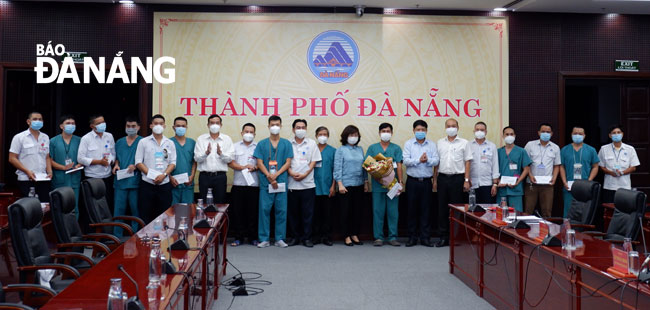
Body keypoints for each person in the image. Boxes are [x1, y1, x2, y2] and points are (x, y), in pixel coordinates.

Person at [254, 115, 293, 248]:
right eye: (272, 124)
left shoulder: (286, 143)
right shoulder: (262, 144)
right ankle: (264, 238)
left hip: (281, 181)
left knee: (281, 210)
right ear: (268, 126)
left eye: (277, 124)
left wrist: (276, 174)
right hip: (266, 182)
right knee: (264, 210)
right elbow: (259, 162)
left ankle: (279, 238)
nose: (275, 127)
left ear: (281, 126)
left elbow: (288, 162)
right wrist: (268, 175)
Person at [434, 118, 472, 247]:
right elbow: (436, 163)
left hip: (458, 179)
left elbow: (468, 162)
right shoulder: (440, 143)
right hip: (443, 178)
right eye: (448, 126)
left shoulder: (464, 143)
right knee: (442, 209)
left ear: (458, 127)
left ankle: (455, 237)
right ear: (445, 128)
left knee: (456, 209)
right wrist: (434, 180)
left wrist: (466, 180)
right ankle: (443, 237)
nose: (451, 128)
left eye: (453, 126)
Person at [403, 119, 439, 247]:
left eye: (423, 130)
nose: (420, 132)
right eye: (418, 130)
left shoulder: (432, 145)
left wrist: (427, 160)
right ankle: (412, 237)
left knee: (426, 210)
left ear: (426, 131)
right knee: (411, 210)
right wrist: (419, 160)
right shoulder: (408, 144)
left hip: (426, 182)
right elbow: (406, 160)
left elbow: (436, 161)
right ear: (413, 131)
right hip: (412, 181)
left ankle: (425, 238)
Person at [366, 123, 403, 247]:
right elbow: (368, 165)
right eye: (383, 131)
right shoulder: (372, 148)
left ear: (391, 133)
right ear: (379, 133)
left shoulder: (396, 148)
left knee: (393, 212)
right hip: (378, 185)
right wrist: (375, 176)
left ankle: (393, 236)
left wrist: (401, 182)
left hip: (393, 185)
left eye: (388, 131)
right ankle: (378, 237)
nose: (385, 133)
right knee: (378, 211)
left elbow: (399, 166)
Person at [134, 115, 176, 223]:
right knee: (145, 214)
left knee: (165, 215)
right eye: (156, 123)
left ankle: (163, 239)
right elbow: (138, 162)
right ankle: (145, 239)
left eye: (161, 123)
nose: (158, 126)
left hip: (164, 184)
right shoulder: (143, 142)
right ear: (151, 126)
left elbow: (173, 163)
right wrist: (152, 175)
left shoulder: (170, 143)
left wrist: (164, 175)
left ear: (164, 126)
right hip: (147, 184)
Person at [287, 119, 322, 247]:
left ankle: (307, 238)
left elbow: (314, 161)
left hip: (308, 184)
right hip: (292, 184)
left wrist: (306, 173)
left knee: (308, 213)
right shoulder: (287, 143)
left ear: (306, 129)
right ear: (293, 129)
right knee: (293, 213)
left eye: (303, 127)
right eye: (298, 127)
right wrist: (290, 172)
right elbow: (286, 161)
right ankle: (295, 237)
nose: (300, 129)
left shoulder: (312, 143)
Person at [334, 125, 368, 247]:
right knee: (345, 211)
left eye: (355, 135)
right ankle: (346, 235)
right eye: (351, 135)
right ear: (345, 136)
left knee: (357, 211)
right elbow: (337, 168)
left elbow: (364, 167)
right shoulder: (341, 150)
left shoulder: (360, 149)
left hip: (359, 184)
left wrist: (365, 182)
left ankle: (354, 234)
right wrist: (340, 184)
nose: (353, 137)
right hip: (345, 185)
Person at [228, 123, 260, 246]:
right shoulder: (235, 146)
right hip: (238, 184)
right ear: (242, 133)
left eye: (251, 132)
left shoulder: (258, 146)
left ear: (254, 134)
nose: (249, 134)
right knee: (238, 213)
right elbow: (230, 163)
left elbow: (262, 164)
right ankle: (238, 237)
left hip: (254, 185)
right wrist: (243, 167)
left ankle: (253, 238)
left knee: (253, 213)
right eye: (246, 131)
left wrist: (255, 167)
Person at [8, 112, 52, 202]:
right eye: (35, 119)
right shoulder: (19, 137)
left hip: (43, 178)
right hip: (26, 179)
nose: (38, 121)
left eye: (40, 119)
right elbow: (12, 158)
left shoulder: (45, 137)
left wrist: (50, 171)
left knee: (44, 207)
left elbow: (47, 157)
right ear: (28, 121)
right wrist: (27, 171)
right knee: (29, 208)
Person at [111, 116, 142, 236]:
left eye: (133, 126)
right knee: (118, 211)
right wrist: (116, 165)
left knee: (136, 210)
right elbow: (117, 158)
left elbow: (146, 160)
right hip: (121, 181)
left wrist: (136, 165)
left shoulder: (142, 142)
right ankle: (116, 237)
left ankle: (136, 236)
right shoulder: (119, 142)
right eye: (128, 126)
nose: (131, 128)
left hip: (135, 181)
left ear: (138, 127)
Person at [193, 114, 234, 204]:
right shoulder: (201, 139)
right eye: (212, 123)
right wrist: (206, 153)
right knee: (203, 203)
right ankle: (204, 218)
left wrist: (221, 154)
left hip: (220, 177)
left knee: (220, 203)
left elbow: (230, 159)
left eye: (217, 123)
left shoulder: (227, 139)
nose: (214, 125)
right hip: (204, 177)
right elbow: (196, 159)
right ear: (208, 125)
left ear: (221, 125)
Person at [559, 126, 599, 217]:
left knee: (583, 212)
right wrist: (564, 181)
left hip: (585, 186)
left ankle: (582, 231)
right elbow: (561, 167)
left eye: (580, 134)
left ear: (584, 136)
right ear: (571, 135)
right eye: (575, 133)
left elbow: (595, 167)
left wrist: (589, 180)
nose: (577, 135)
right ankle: (567, 230)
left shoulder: (591, 150)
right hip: (569, 186)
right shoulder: (564, 150)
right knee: (568, 211)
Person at [78, 114, 115, 211]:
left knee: (107, 205)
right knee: (92, 207)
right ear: (92, 126)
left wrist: (110, 161)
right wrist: (99, 162)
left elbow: (113, 154)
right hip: (92, 177)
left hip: (107, 176)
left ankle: (107, 225)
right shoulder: (86, 138)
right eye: (99, 123)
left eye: (103, 122)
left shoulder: (109, 136)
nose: (102, 124)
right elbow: (80, 158)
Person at [524, 123, 561, 217]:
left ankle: (546, 231)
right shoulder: (530, 145)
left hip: (547, 185)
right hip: (531, 183)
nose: (545, 133)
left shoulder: (555, 147)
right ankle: (526, 230)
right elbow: (525, 163)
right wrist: (530, 175)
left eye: (548, 132)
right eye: (543, 131)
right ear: (538, 132)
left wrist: (554, 178)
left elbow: (557, 165)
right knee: (528, 210)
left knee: (547, 212)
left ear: (552, 133)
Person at [49, 115, 83, 215]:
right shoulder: (53, 141)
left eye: (73, 124)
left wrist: (79, 164)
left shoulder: (80, 140)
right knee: (60, 207)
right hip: (59, 178)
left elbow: (84, 157)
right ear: (61, 126)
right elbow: (49, 160)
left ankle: (73, 230)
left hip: (74, 178)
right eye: (68, 123)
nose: (71, 126)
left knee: (74, 207)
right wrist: (63, 167)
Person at [598, 125, 640, 203]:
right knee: (609, 210)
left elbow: (633, 167)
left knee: (624, 209)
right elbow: (601, 166)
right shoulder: (604, 149)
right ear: (610, 135)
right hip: (609, 186)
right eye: (614, 133)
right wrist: (611, 172)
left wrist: (622, 173)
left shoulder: (630, 149)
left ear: (622, 134)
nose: (616, 134)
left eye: (618, 132)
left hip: (624, 186)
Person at [496, 127, 532, 212]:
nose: (509, 136)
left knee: (516, 214)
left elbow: (526, 169)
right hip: (502, 189)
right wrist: (497, 181)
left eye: (511, 134)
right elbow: (494, 169)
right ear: (503, 136)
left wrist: (518, 181)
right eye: (507, 134)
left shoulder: (521, 151)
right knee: (500, 214)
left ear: (515, 136)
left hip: (516, 189)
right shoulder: (498, 151)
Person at [312, 126, 336, 246]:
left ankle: (326, 236)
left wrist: (333, 186)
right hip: (313, 187)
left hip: (328, 187)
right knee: (315, 213)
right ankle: (316, 236)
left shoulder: (333, 151)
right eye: (320, 134)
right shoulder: (312, 149)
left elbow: (335, 170)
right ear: (316, 136)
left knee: (327, 214)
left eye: (325, 134)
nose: (323, 136)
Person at [469, 121, 500, 203]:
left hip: (487, 184)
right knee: (472, 211)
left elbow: (495, 165)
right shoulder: (468, 145)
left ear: (486, 132)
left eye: (482, 130)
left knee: (487, 211)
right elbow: (465, 165)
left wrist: (495, 184)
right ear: (474, 131)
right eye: (477, 129)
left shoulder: (492, 146)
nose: (479, 131)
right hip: (472, 184)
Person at [170, 117, 197, 205]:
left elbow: (194, 161)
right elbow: (164, 162)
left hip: (187, 184)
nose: (180, 128)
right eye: (178, 126)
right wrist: (170, 177)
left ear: (186, 127)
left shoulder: (192, 142)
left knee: (187, 212)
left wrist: (192, 176)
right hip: (173, 184)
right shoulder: (168, 142)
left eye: (183, 126)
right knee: (172, 212)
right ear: (173, 127)